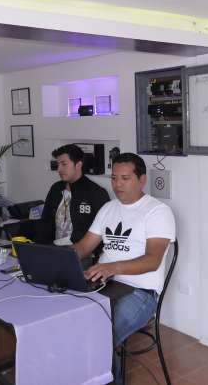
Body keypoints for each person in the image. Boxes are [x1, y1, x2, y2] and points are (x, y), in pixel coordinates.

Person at [73, 152, 175, 383]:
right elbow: (84, 247)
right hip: (102, 283)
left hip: (140, 293)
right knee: (64, 320)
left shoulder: (157, 211)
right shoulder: (109, 208)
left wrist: (111, 268)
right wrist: (54, 257)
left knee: (98, 337)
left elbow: (153, 260)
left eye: (125, 178)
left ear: (142, 180)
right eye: (114, 178)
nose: (117, 184)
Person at [35, 144, 109, 247]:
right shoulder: (56, 189)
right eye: (58, 164)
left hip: (81, 250)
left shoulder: (96, 193)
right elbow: (45, 222)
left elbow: (102, 231)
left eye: (64, 164)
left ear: (78, 165)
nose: (59, 169)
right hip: (53, 248)